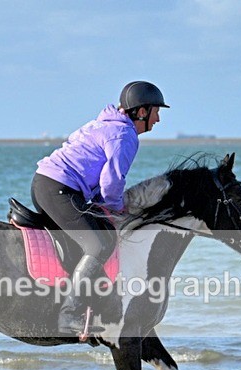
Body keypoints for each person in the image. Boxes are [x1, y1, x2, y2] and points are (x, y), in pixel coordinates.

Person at [31, 80, 169, 335]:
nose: (158, 119)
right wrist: (117, 207)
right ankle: (69, 315)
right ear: (141, 112)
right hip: (59, 189)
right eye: (156, 111)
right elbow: (112, 181)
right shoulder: (125, 135)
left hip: (47, 184)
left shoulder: (107, 124)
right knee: (100, 244)